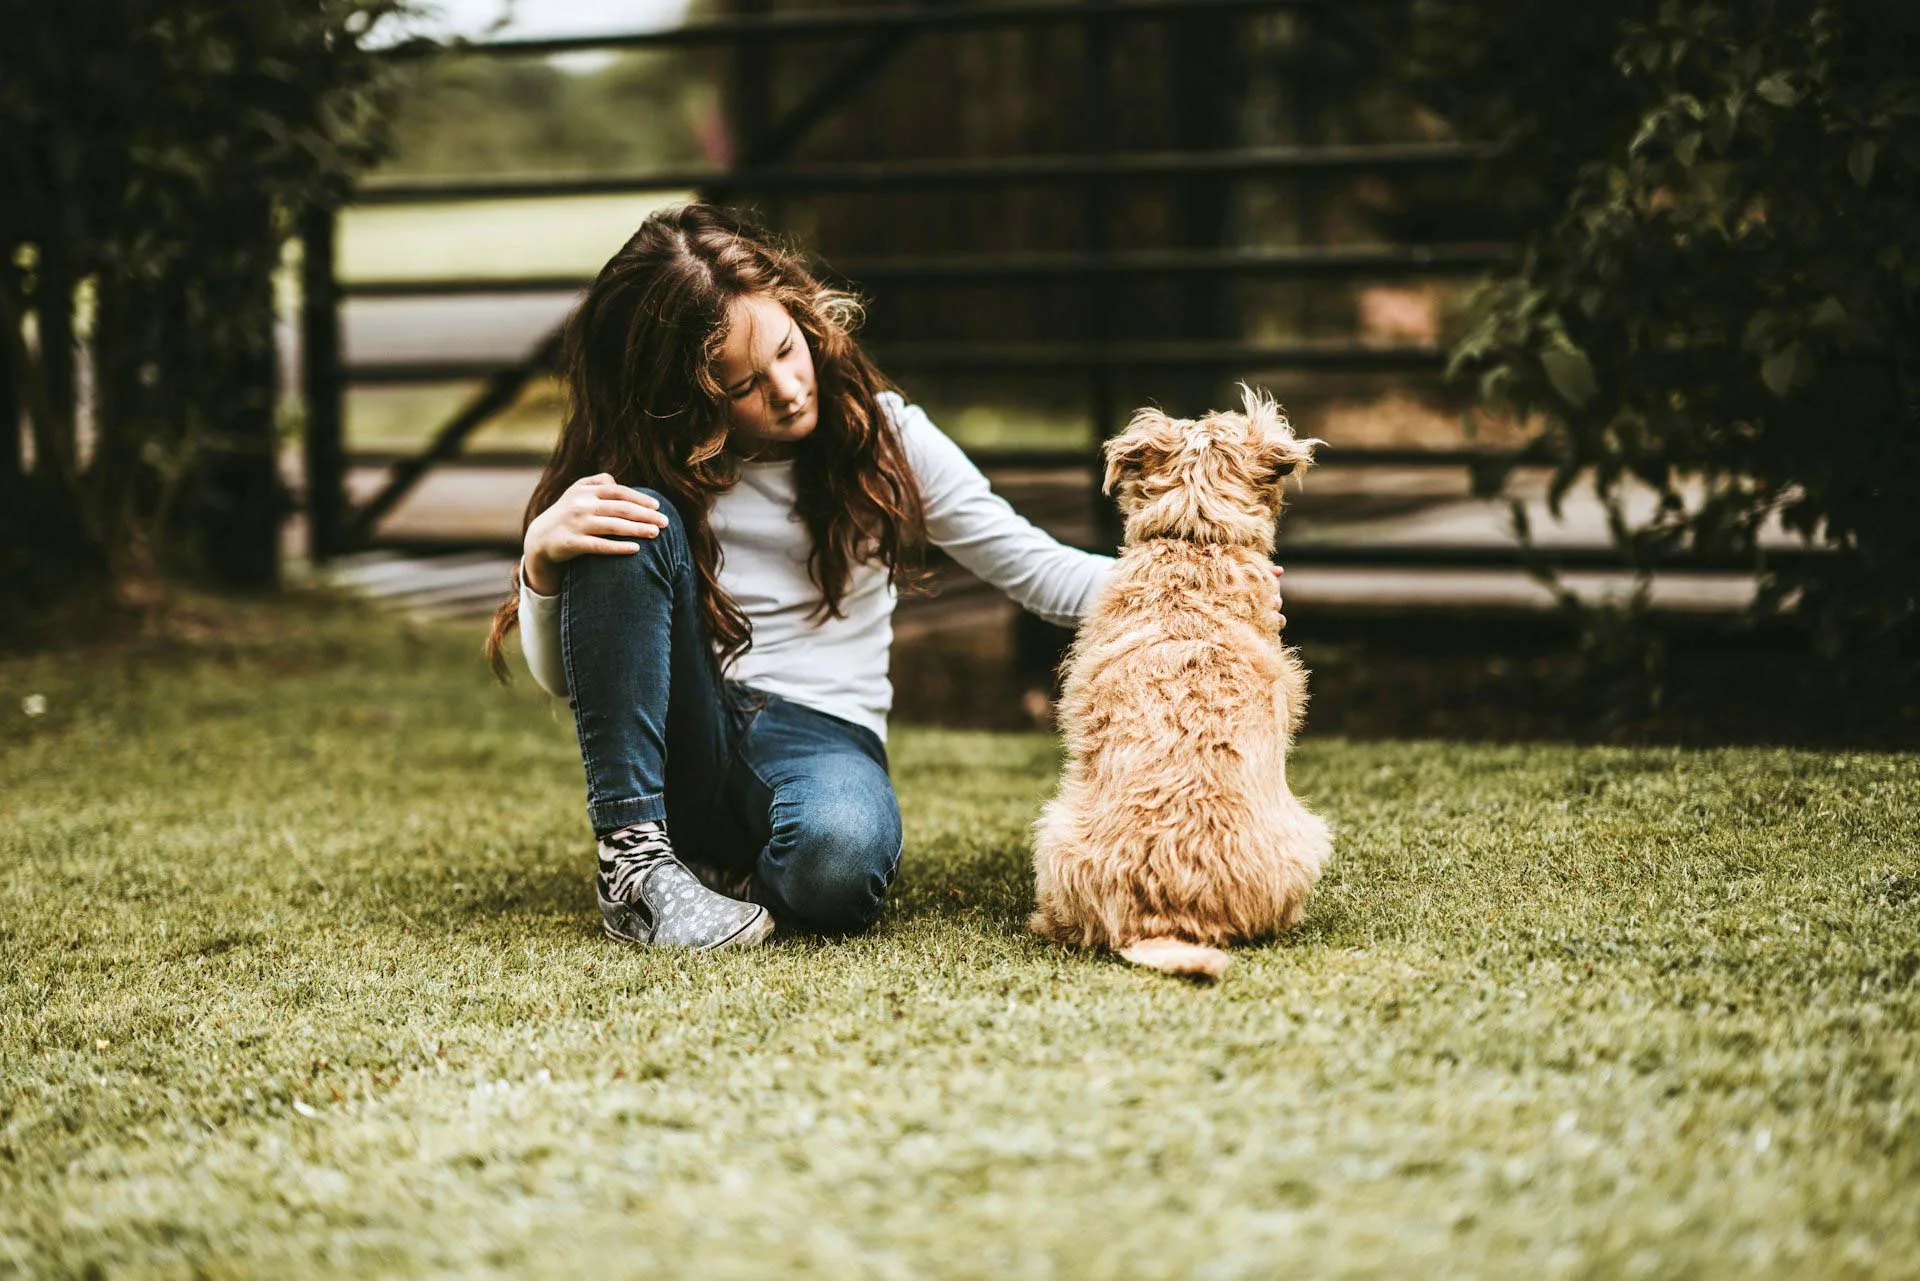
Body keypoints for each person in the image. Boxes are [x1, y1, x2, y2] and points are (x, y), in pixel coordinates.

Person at [484, 202, 1283, 952]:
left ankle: (720, 884)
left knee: (839, 865)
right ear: (677, 399)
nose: (788, 389)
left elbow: (1034, 567)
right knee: (629, 518)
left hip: (821, 731)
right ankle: (637, 868)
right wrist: (543, 565)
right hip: (682, 731)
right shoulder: (635, 476)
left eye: (786, 350)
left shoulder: (885, 435)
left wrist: (1200, 590)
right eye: (741, 386)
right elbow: (571, 687)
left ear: (804, 313)